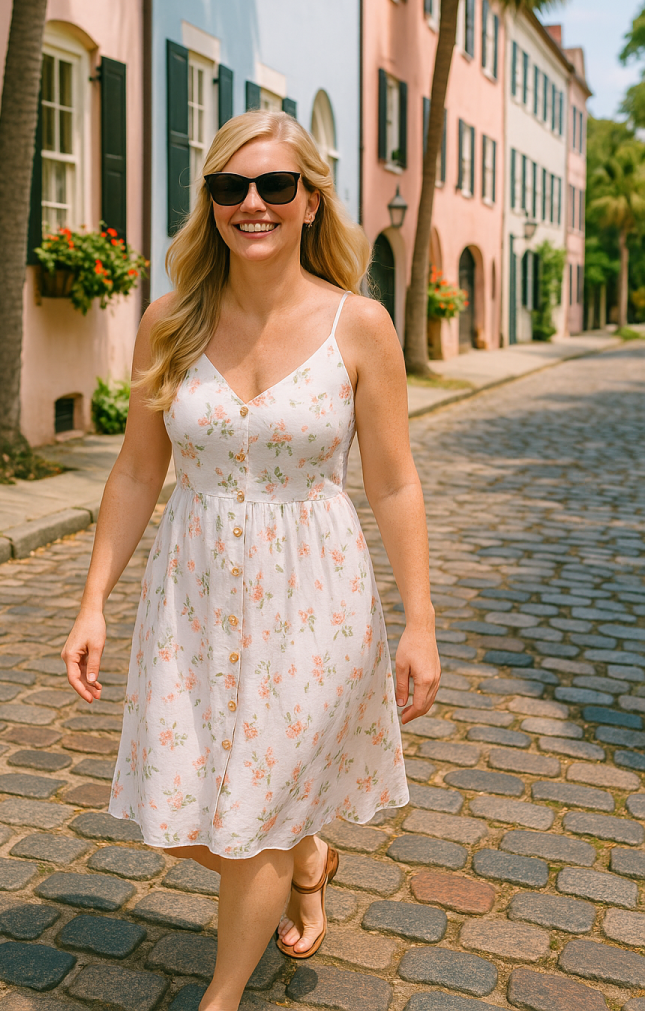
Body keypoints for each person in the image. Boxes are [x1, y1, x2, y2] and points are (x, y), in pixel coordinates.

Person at [61, 110, 440, 1011]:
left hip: (317, 599)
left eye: (276, 186)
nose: (253, 204)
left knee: (257, 811)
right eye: (230, 187)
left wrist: (420, 621)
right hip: (191, 594)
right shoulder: (171, 320)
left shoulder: (362, 326)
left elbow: (394, 484)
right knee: (177, 808)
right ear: (211, 203)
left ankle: (221, 995)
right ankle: (308, 853)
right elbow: (136, 471)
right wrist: (92, 601)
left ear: (311, 200)